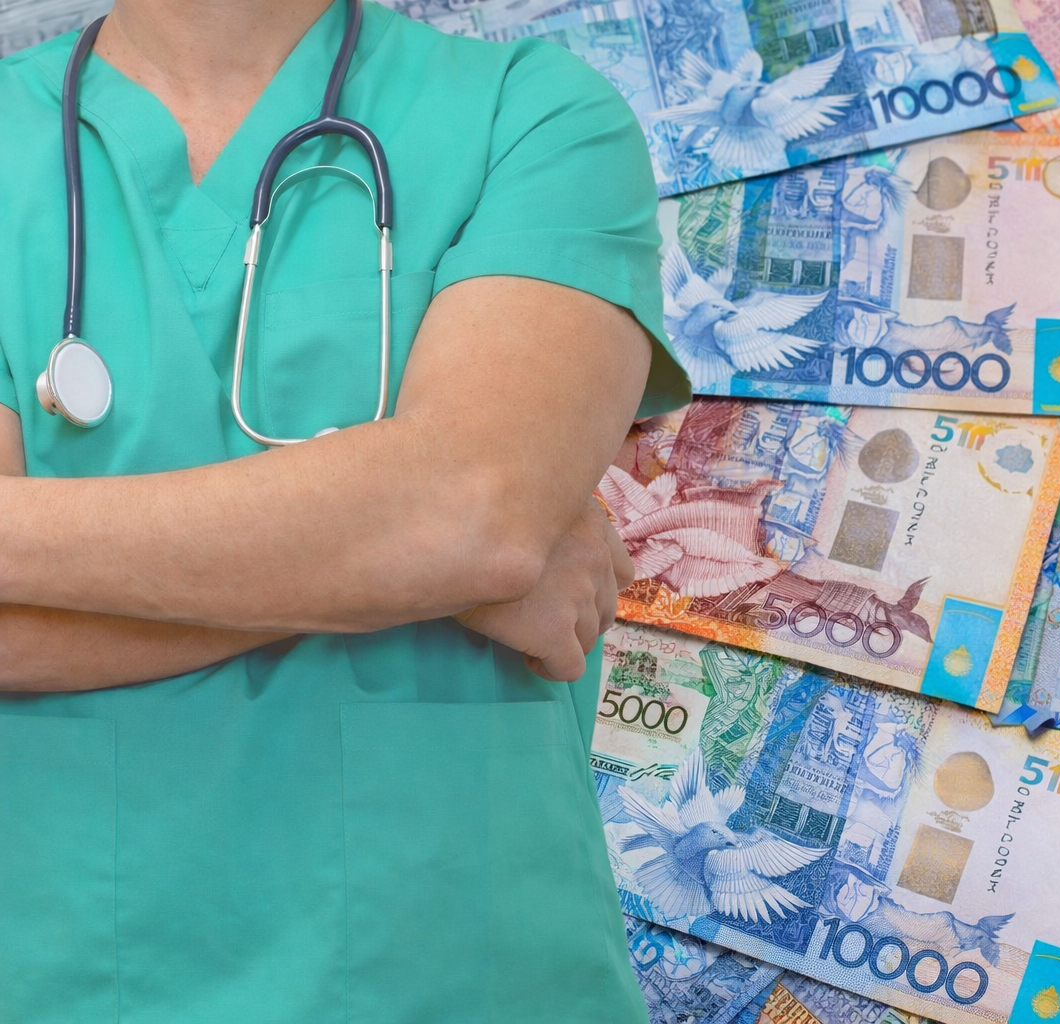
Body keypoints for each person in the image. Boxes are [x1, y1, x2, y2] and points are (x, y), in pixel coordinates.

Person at [0, 0, 689, 1021]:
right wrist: (403, 553)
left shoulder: (536, 116)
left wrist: (447, 538)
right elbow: (461, 530)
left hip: (460, 975)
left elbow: (471, 516)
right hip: (78, 976)